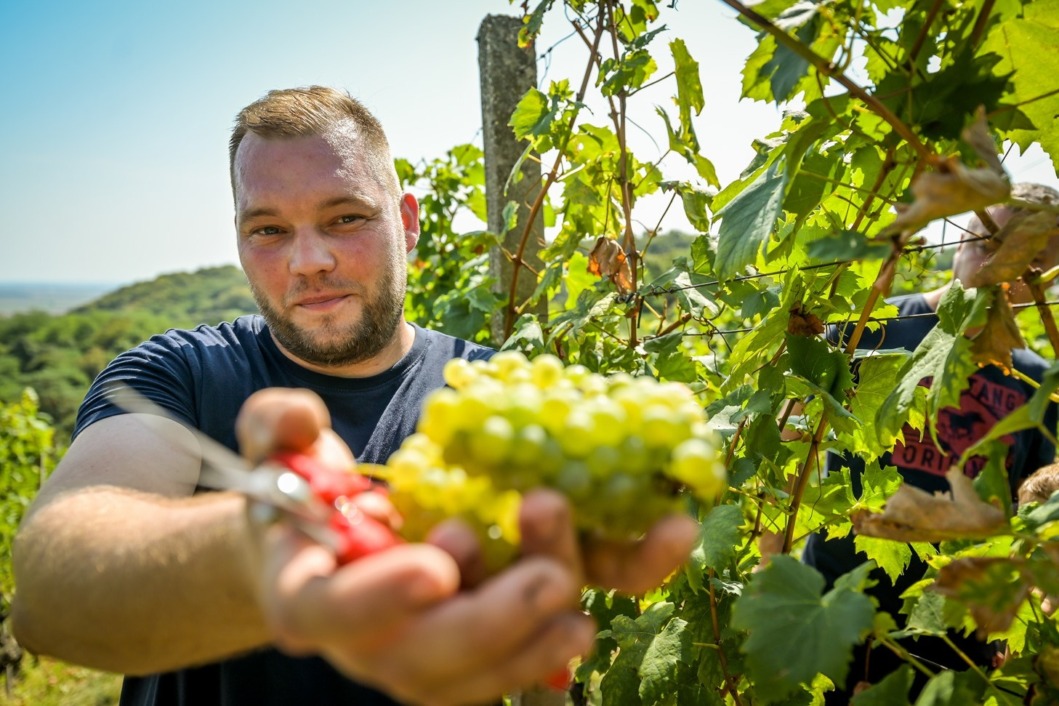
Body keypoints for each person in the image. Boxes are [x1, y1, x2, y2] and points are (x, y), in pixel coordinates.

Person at [10, 86, 700, 706]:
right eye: (269, 230)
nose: (309, 261)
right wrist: (270, 545)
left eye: (344, 218)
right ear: (241, 242)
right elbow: (51, 595)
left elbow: (537, 673)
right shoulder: (176, 374)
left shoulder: (490, 396)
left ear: (406, 221)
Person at [800, 182, 1059, 702]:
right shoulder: (865, 330)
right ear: (961, 231)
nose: (995, 265)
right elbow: (791, 464)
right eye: (987, 240)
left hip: (959, 640)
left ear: (1044, 283)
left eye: (1027, 260)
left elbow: (1032, 514)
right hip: (834, 610)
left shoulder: (1041, 385)